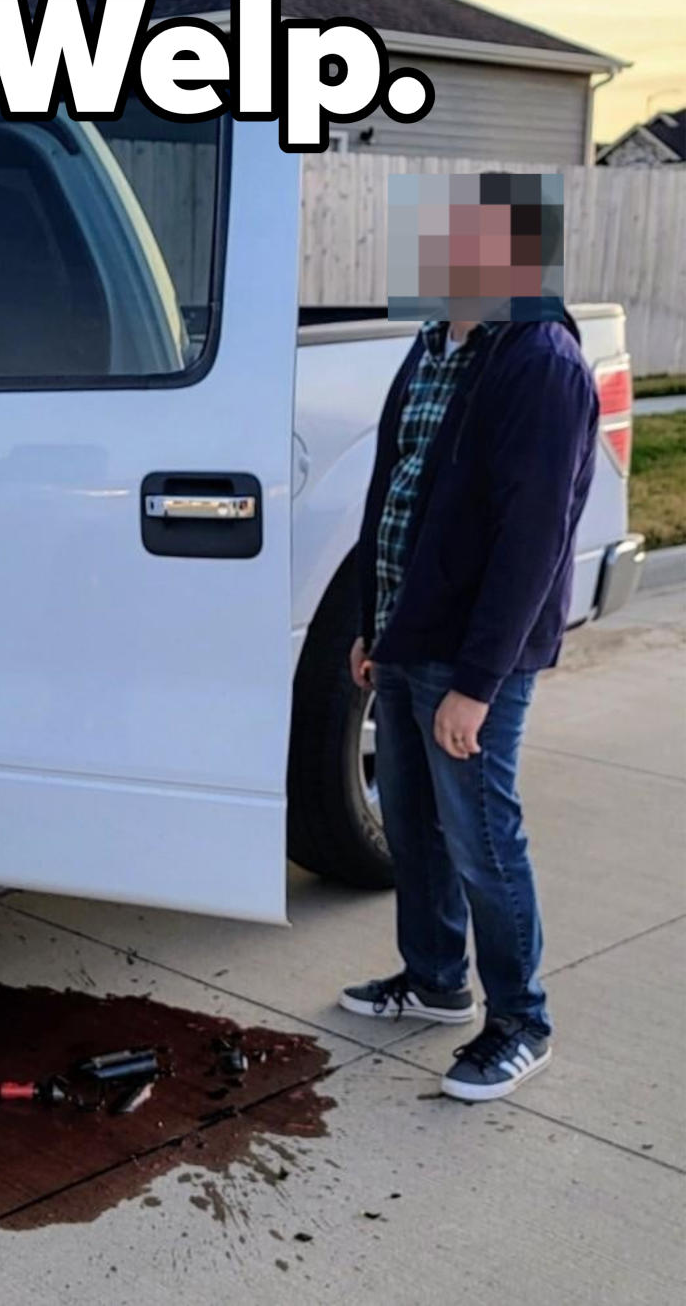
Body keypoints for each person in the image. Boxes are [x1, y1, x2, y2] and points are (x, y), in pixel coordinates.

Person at [339, 190, 599, 1102]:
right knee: (413, 827)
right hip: (409, 637)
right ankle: (437, 980)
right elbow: (393, 490)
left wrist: (479, 683)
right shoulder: (431, 347)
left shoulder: (541, 363)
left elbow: (534, 540)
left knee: (482, 838)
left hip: (473, 658)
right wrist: (374, 624)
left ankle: (522, 1021)